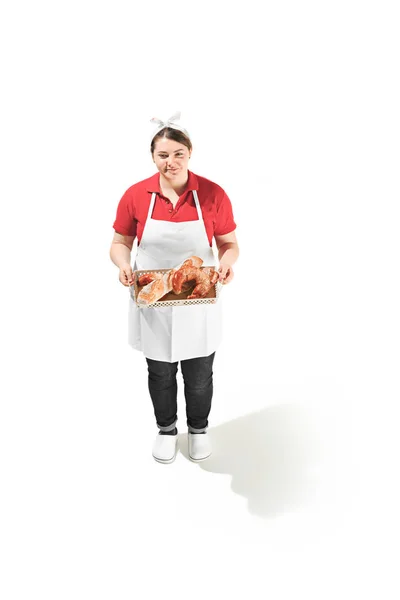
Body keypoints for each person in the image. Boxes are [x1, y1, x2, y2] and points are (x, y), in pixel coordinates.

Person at [109, 112, 239, 464]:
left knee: (199, 375)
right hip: (153, 300)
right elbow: (121, 241)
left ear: (190, 152)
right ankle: (166, 429)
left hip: (200, 298)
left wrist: (226, 263)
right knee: (160, 372)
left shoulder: (212, 194)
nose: (171, 162)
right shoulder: (137, 195)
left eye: (178, 154)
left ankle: (198, 429)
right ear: (153, 156)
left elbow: (229, 243)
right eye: (163, 155)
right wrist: (123, 264)